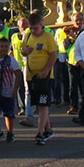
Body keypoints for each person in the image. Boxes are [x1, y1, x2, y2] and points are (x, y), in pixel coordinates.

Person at [20, 12, 57, 145]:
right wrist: (24, 52)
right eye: (31, 28)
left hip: (44, 77)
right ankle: (48, 129)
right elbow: (22, 50)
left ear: (41, 25)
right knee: (38, 104)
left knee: (43, 104)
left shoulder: (48, 38)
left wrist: (46, 70)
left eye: (36, 28)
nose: (33, 31)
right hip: (31, 76)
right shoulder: (28, 35)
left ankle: (40, 133)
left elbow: (53, 55)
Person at [0, 38, 21, 144]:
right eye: (1, 46)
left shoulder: (11, 60)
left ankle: (10, 132)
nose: (4, 49)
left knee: (8, 113)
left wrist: (15, 89)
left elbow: (18, 73)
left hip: (8, 89)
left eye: (6, 46)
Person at [12, 17, 35, 126]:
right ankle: (28, 114)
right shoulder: (15, 37)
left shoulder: (35, 35)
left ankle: (45, 121)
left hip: (37, 67)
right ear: (18, 27)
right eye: (23, 25)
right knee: (26, 91)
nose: (25, 26)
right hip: (22, 66)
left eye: (27, 24)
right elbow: (19, 51)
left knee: (39, 92)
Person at [65, 12, 84, 116]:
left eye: (80, 19)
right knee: (72, 86)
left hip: (82, 61)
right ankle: (74, 106)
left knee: (83, 85)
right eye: (76, 20)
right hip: (71, 61)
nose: (78, 22)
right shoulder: (70, 31)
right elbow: (65, 47)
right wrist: (67, 39)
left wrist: (73, 37)